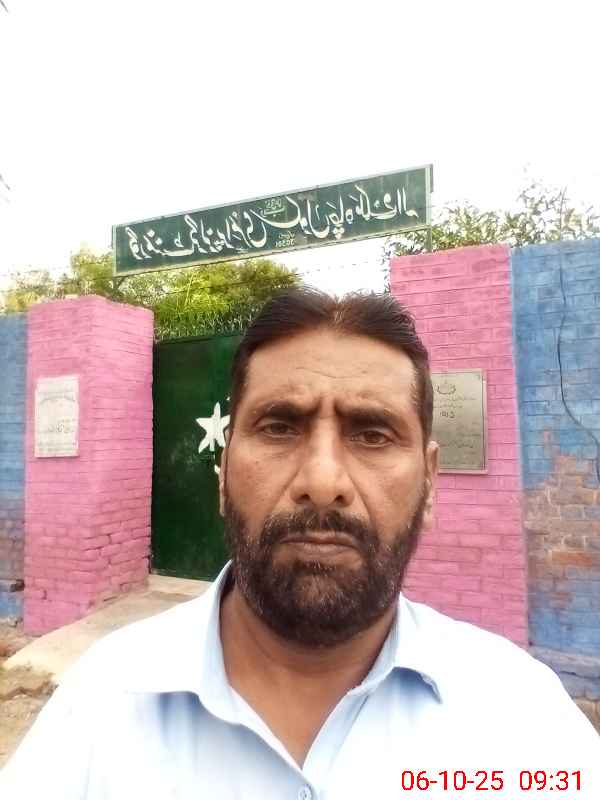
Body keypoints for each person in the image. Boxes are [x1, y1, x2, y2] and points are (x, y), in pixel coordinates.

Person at [1, 287, 599, 799]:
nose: (322, 481)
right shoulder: (102, 700)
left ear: (430, 482)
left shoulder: (523, 718)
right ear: (223, 474)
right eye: (280, 427)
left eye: (372, 434)